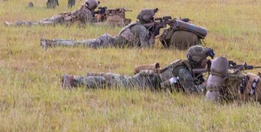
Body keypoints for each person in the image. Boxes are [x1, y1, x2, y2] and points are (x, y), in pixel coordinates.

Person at [62, 45, 214, 92]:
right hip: (144, 83)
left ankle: (91, 75)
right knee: (110, 83)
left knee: (114, 79)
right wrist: (207, 84)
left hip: (147, 79)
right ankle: (74, 80)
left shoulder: (186, 66)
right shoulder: (183, 71)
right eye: (203, 59)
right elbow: (193, 93)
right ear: (196, 60)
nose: (205, 62)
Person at [41, 8, 161, 48]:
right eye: (152, 18)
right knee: (78, 44)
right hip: (107, 43)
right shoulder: (141, 29)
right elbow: (147, 48)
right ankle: (50, 43)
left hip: (107, 40)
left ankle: (50, 42)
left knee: (78, 43)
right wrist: (153, 35)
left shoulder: (136, 25)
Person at [7, 0, 101, 26]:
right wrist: (97, 19)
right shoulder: (86, 12)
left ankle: (16, 23)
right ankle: (14, 24)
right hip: (60, 21)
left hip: (60, 18)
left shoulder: (83, 8)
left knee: (39, 22)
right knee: (38, 24)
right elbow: (90, 23)